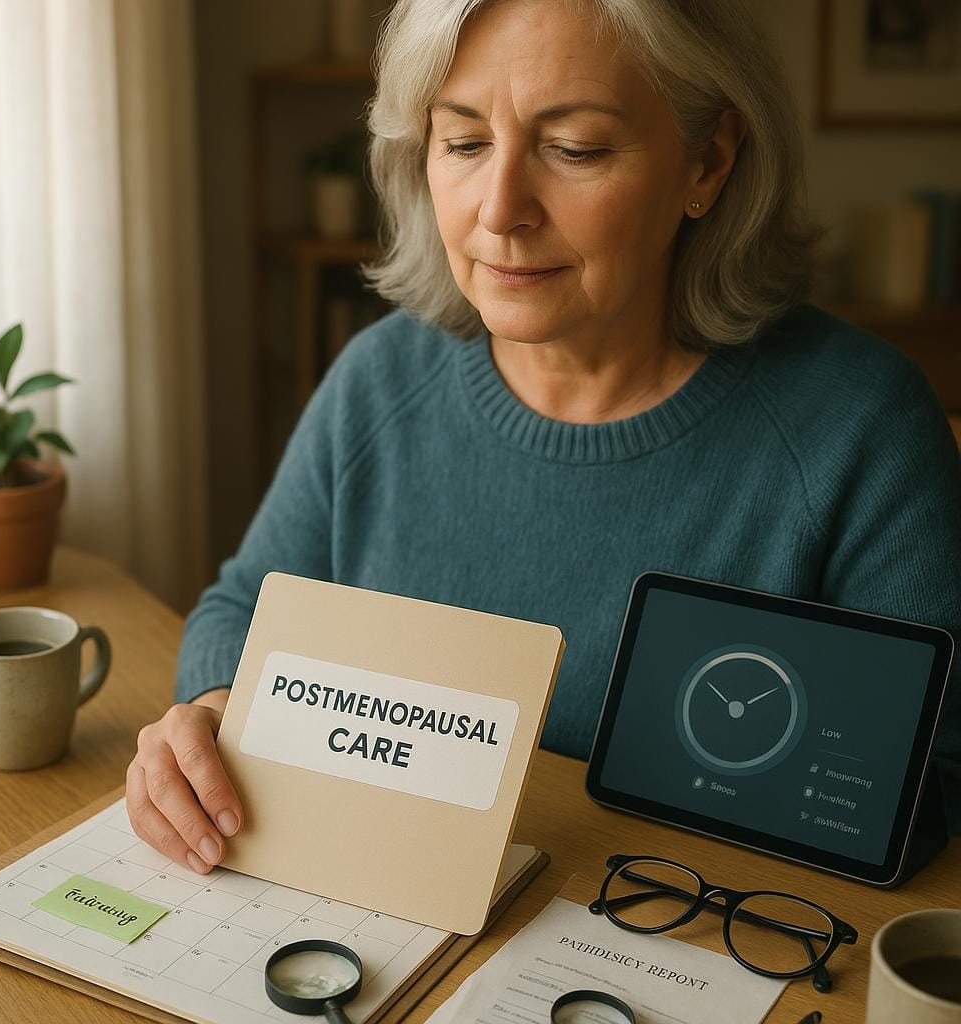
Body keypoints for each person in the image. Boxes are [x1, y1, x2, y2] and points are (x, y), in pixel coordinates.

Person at [125, 0, 961, 875]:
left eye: (576, 150)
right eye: (463, 142)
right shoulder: (378, 381)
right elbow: (242, 608)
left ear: (708, 162)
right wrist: (216, 710)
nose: (501, 210)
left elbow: (925, 799)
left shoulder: (861, 425)